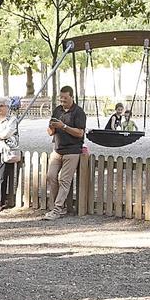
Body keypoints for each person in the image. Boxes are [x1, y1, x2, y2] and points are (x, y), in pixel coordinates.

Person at [47, 85, 87, 218]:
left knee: (64, 179)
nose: (62, 101)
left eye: (65, 98)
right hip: (58, 149)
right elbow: (50, 130)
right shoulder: (57, 110)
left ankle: (57, 209)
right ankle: (61, 206)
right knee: (51, 176)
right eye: (61, 98)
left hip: (72, 150)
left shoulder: (78, 112)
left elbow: (80, 133)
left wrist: (63, 126)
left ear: (71, 97)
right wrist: (51, 128)